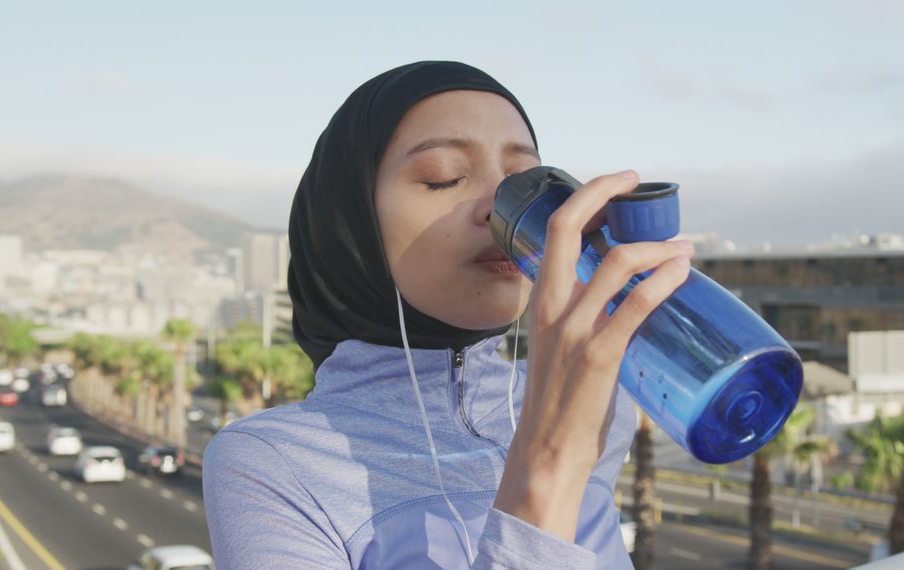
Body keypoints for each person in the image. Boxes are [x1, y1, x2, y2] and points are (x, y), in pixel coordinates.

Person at [202, 60, 693, 569]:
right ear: (350, 226)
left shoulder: (595, 400)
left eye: (525, 182)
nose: (500, 208)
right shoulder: (273, 463)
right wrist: (551, 462)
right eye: (444, 178)